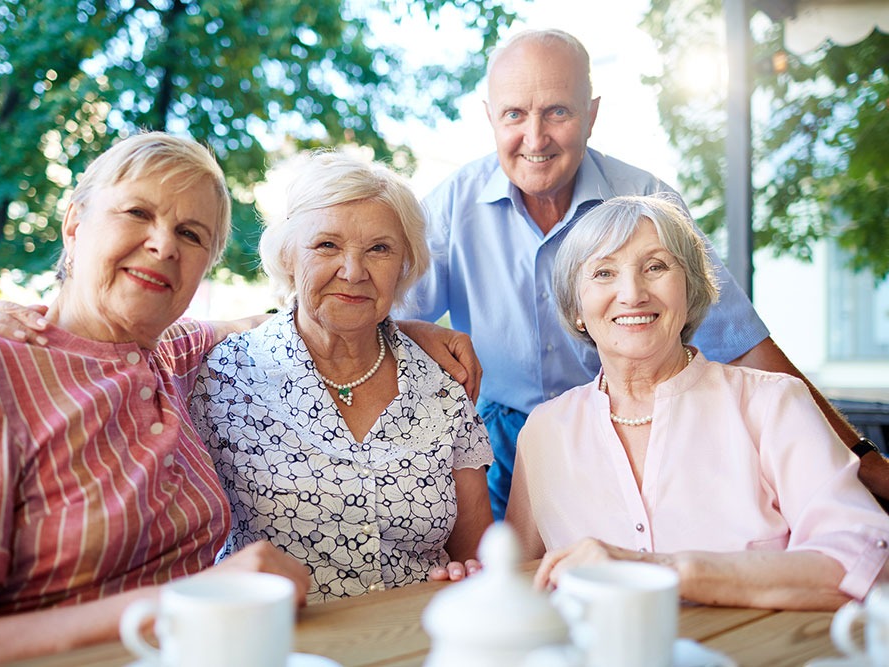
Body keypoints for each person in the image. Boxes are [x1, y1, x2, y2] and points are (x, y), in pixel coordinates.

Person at [398, 28, 889, 519]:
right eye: (514, 114)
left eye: (558, 112)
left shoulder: (647, 200)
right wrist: (416, 329)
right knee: (514, 579)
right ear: (490, 117)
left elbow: (741, 342)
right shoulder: (449, 207)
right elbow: (381, 321)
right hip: (500, 442)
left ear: (591, 115)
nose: (535, 137)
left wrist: (860, 458)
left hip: (633, 430)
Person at [0, 132, 309, 666]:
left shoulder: (166, 353)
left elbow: (266, 324)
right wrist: (185, 602)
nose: (164, 245)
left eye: (190, 233)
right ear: (74, 224)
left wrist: (411, 336)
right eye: (137, 212)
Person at [506, 194, 889, 610]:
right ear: (576, 307)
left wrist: (666, 570)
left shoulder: (774, 404)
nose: (632, 293)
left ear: (689, 289)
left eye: (656, 267)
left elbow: (868, 560)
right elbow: (515, 579)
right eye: (603, 273)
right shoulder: (543, 430)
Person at [190, 151, 494, 602]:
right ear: (289, 256)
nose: (353, 272)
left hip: (412, 639)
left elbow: (478, 555)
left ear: (404, 265)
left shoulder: (442, 384)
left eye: (379, 249)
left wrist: (469, 577)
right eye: (327, 246)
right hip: (280, 643)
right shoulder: (221, 377)